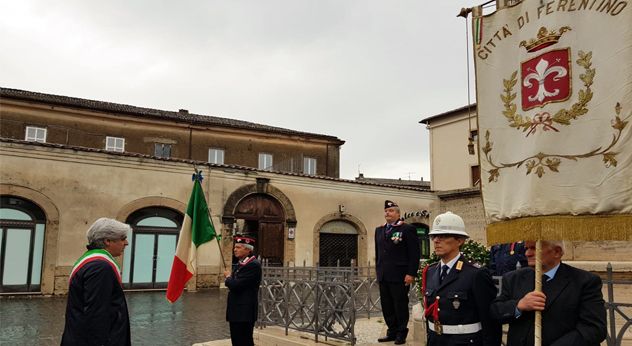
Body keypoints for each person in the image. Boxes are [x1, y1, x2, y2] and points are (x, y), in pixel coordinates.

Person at [490, 240, 607, 346]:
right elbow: (496, 312)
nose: (527, 254)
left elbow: (594, 328)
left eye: (534, 248)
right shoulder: (513, 279)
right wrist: (518, 306)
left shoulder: (584, 281)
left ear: (556, 251)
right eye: (526, 249)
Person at [421, 211, 501, 346]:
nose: (436, 241)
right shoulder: (430, 271)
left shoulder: (476, 274)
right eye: (434, 236)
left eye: (442, 236)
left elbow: (490, 321)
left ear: (459, 241)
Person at [61, 218, 131, 346]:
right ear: (108, 241)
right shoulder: (100, 267)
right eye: (122, 239)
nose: (126, 243)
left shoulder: (91, 260)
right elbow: (97, 313)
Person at [374, 200, 420, 344]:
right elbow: (379, 252)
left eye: (391, 211)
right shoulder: (379, 230)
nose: (388, 213)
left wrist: (411, 273)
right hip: (384, 274)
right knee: (387, 305)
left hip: (400, 275)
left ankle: (401, 333)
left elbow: (414, 252)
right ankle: (391, 331)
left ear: (398, 213)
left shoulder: (407, 228)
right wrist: (378, 271)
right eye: (386, 211)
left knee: (399, 304)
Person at [224, 235, 262, 346]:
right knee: (236, 341)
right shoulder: (242, 263)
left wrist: (228, 277)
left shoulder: (252, 265)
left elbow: (235, 285)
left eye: (238, 247)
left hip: (244, 312)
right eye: (235, 247)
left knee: (244, 341)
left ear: (248, 250)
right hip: (237, 312)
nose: (235, 250)